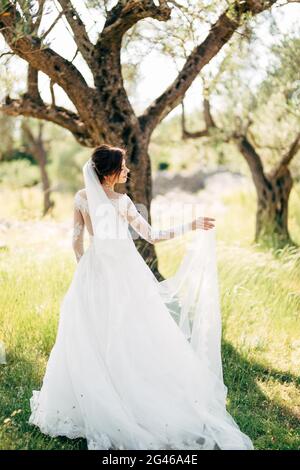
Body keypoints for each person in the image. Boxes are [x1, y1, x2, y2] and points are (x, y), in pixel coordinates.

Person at [28, 144, 254, 450]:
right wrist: (190, 225)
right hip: (124, 273)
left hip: (95, 272)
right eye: (123, 167)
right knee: (131, 334)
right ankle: (126, 397)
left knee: (90, 335)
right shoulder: (122, 202)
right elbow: (152, 235)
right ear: (110, 173)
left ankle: (93, 401)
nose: (128, 171)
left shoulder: (81, 197)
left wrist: (86, 268)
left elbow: (75, 240)